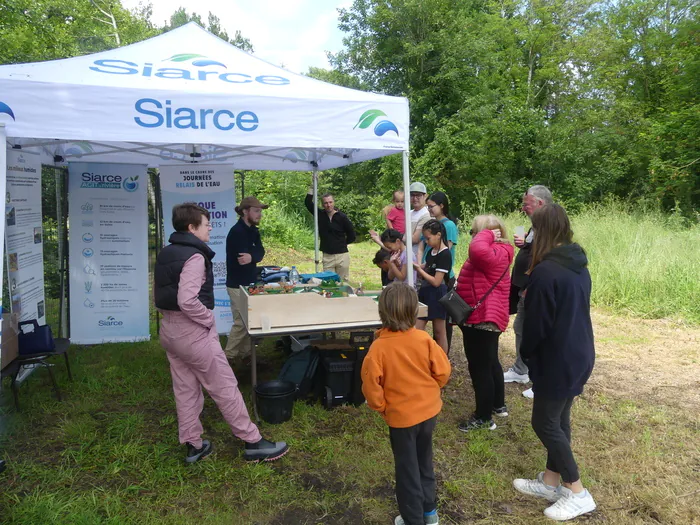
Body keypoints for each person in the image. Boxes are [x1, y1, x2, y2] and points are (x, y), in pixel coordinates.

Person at [154, 203, 288, 464]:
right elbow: (187, 300)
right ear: (192, 228)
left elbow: (158, 296)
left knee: (185, 390)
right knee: (225, 387)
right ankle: (253, 441)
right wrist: (207, 320)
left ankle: (193, 445)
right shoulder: (194, 256)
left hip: (170, 332)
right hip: (192, 333)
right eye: (206, 224)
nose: (211, 227)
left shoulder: (166, 253)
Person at [512, 203, 596, 521]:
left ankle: (577, 491)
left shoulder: (546, 271)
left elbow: (536, 326)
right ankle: (551, 481)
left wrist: (528, 355)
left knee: (545, 423)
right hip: (579, 352)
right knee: (559, 421)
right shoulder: (578, 264)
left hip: (558, 357)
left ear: (542, 232)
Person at [361, 282, 451, 525]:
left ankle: (413, 519)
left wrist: (382, 408)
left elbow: (371, 389)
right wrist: (431, 391)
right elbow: (443, 372)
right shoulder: (424, 339)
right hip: (429, 413)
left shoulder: (378, 348)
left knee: (407, 469)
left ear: (382, 313)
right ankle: (430, 513)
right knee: (424, 460)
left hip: (401, 420)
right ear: (414, 311)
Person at [455, 215, 513, 431]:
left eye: (474, 232)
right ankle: (498, 405)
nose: (472, 236)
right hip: (483, 316)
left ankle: (483, 418)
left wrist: (486, 234)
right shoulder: (499, 252)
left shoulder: (494, 251)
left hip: (483, 317)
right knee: (490, 362)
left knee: (480, 368)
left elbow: (477, 250)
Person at [504, 185, 553, 399]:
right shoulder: (536, 225)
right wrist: (525, 243)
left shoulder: (549, 225)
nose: (523, 208)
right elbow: (534, 250)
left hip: (535, 289)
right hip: (526, 286)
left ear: (540, 203)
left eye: (526, 204)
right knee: (520, 327)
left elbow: (545, 258)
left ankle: (541, 379)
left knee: (538, 334)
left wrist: (531, 287)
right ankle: (520, 370)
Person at [224, 196, 268, 363]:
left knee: (249, 320)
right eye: (256, 211)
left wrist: (253, 256)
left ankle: (247, 355)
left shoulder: (253, 231)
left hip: (249, 282)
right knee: (242, 322)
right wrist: (253, 255)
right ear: (245, 211)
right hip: (237, 285)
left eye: (260, 211)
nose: (260, 215)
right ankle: (228, 357)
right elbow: (243, 259)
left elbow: (260, 252)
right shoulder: (237, 232)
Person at [417, 191, 459, 351]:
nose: (429, 210)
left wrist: (420, 270)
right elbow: (423, 246)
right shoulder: (431, 229)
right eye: (427, 207)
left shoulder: (448, 228)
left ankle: (442, 359)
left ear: (442, 206)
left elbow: (445, 253)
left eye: (431, 206)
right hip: (428, 286)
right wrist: (422, 263)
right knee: (421, 327)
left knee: (440, 329)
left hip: (440, 283)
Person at [413, 219, 451, 354]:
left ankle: (443, 361)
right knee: (416, 329)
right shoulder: (431, 251)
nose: (427, 242)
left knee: (439, 332)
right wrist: (419, 266)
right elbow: (427, 266)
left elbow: (436, 281)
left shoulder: (445, 254)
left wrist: (420, 271)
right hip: (425, 292)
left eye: (428, 238)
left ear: (438, 235)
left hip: (437, 294)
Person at [305, 187, 356, 281]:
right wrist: (312, 188)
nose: (328, 205)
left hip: (342, 255)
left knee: (342, 283)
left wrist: (341, 243)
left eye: (330, 202)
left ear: (333, 202)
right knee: (328, 282)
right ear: (322, 204)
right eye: (326, 203)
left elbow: (352, 235)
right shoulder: (320, 215)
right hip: (327, 256)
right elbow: (308, 203)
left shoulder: (342, 217)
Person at [408, 182, 430, 260]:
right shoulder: (408, 213)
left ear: (425, 196)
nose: (415, 198)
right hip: (406, 257)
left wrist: (399, 237)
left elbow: (415, 239)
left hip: (418, 258)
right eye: (412, 195)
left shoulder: (427, 213)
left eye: (418, 195)